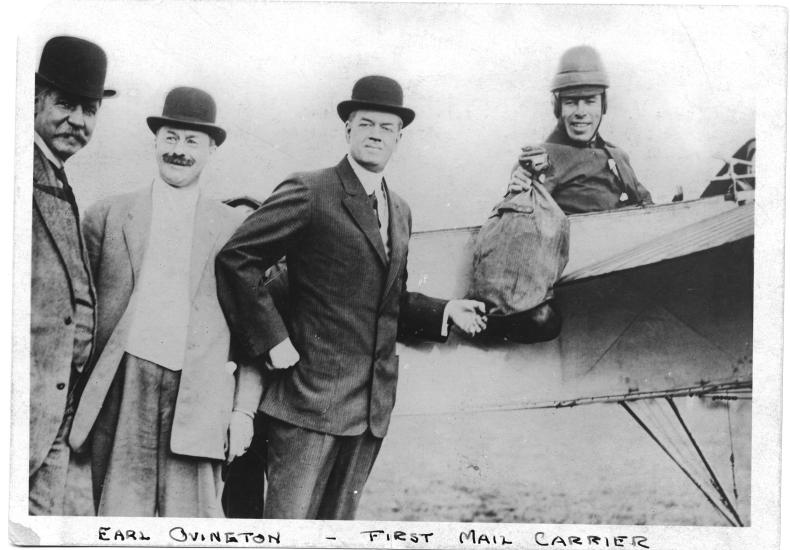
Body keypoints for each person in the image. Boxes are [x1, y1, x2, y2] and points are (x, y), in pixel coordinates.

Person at [215, 75, 487, 520]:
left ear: (399, 138)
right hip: (307, 405)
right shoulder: (311, 189)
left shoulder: (399, 209)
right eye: (366, 124)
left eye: (387, 127)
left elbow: (386, 299)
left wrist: (444, 310)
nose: (376, 134)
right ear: (347, 129)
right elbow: (236, 260)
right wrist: (272, 339)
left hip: (369, 412)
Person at [68, 87, 262, 517]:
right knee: (119, 529)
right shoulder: (107, 216)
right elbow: (77, 314)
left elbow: (257, 328)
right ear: (155, 140)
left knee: (194, 533)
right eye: (170, 137)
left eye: (192, 141)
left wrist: (243, 411)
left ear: (212, 149)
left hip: (200, 402)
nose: (179, 150)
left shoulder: (236, 228)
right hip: (123, 396)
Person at [30, 35, 115, 515]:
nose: (78, 121)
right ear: (35, 98)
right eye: (66, 104)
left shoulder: (56, 174)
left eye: (89, 110)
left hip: (53, 407)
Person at [508, 45, 653, 214]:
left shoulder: (618, 156)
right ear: (558, 108)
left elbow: (649, 210)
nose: (581, 112)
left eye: (590, 101)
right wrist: (519, 193)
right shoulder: (539, 161)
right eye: (571, 102)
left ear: (603, 105)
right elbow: (520, 224)